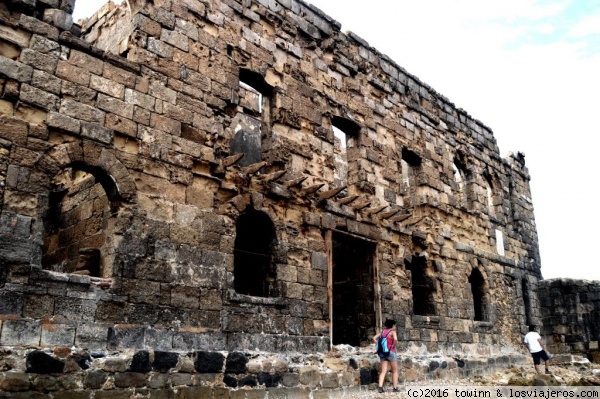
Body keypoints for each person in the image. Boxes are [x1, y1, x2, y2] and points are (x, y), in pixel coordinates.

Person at [373, 319, 399, 393]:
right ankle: (395, 388)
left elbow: (374, 338)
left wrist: (378, 344)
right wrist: (393, 346)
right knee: (394, 371)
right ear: (393, 325)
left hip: (383, 353)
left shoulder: (382, 332)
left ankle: (380, 387)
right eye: (395, 325)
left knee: (383, 371)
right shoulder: (392, 332)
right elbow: (395, 339)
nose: (395, 327)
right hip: (391, 352)